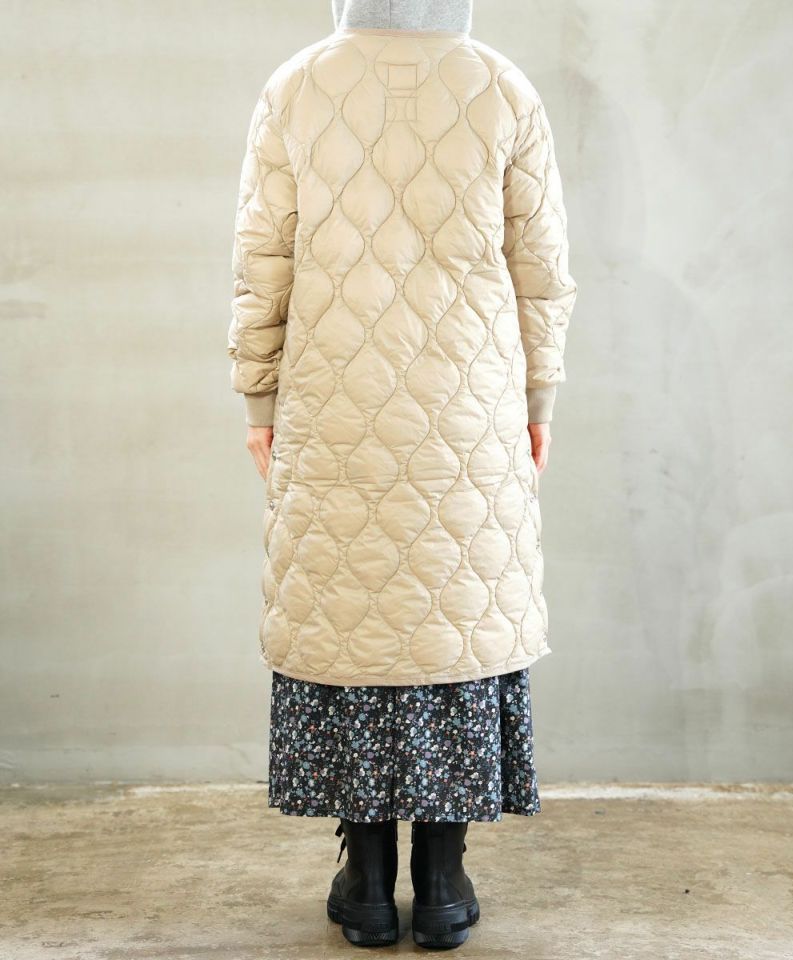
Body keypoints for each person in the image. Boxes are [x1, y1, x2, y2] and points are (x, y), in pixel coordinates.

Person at [227, 0, 578, 948]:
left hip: (333, 399)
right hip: (470, 409)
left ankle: (370, 881)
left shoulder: (296, 85)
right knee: (451, 622)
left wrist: (258, 398)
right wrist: (539, 400)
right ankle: (446, 881)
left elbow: (261, 261)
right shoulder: (502, 86)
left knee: (353, 619)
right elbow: (541, 267)